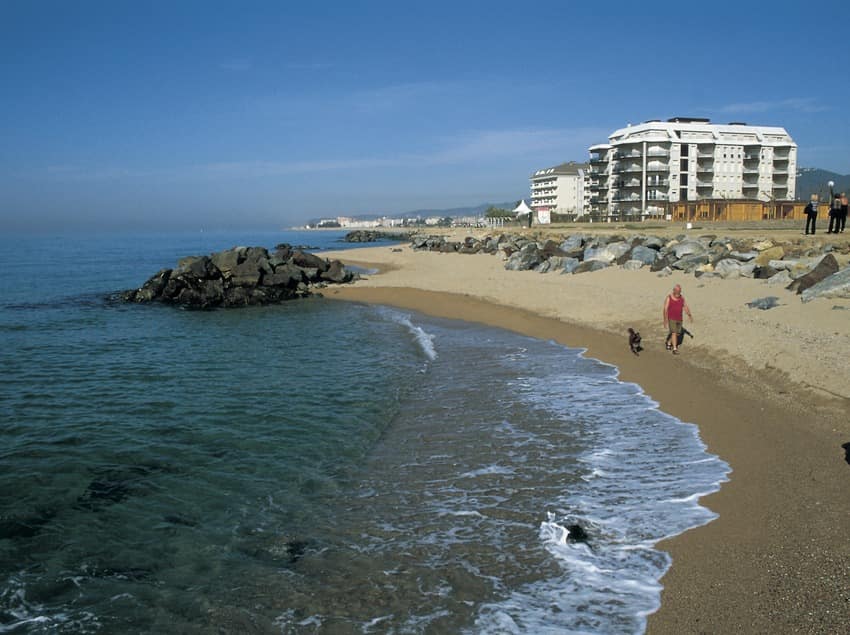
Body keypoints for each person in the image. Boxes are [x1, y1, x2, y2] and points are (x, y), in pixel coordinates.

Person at [663, 284, 693, 355]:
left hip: (679, 318)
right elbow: (665, 309)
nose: (678, 292)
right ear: (674, 290)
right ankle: (675, 349)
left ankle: (669, 342)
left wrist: (689, 315)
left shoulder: (682, 298)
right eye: (677, 291)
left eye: (679, 291)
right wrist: (665, 320)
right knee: (674, 333)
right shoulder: (669, 298)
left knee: (677, 333)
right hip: (671, 318)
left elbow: (685, 306)